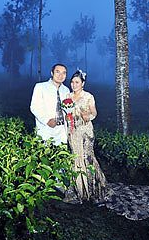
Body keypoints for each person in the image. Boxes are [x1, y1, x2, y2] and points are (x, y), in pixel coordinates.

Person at [65, 69, 108, 203]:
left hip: (85, 131)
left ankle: (93, 189)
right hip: (72, 131)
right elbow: (66, 113)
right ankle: (78, 189)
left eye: (77, 82)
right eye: (72, 82)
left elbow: (94, 112)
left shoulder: (88, 96)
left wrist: (87, 116)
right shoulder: (68, 96)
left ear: (82, 83)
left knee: (87, 157)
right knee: (75, 157)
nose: (74, 84)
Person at [29, 63, 70, 145]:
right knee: (45, 154)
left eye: (64, 73)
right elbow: (34, 107)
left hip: (62, 131)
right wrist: (47, 120)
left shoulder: (66, 90)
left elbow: (67, 108)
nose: (60, 75)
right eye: (57, 72)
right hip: (46, 129)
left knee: (61, 155)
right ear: (52, 73)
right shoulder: (41, 87)